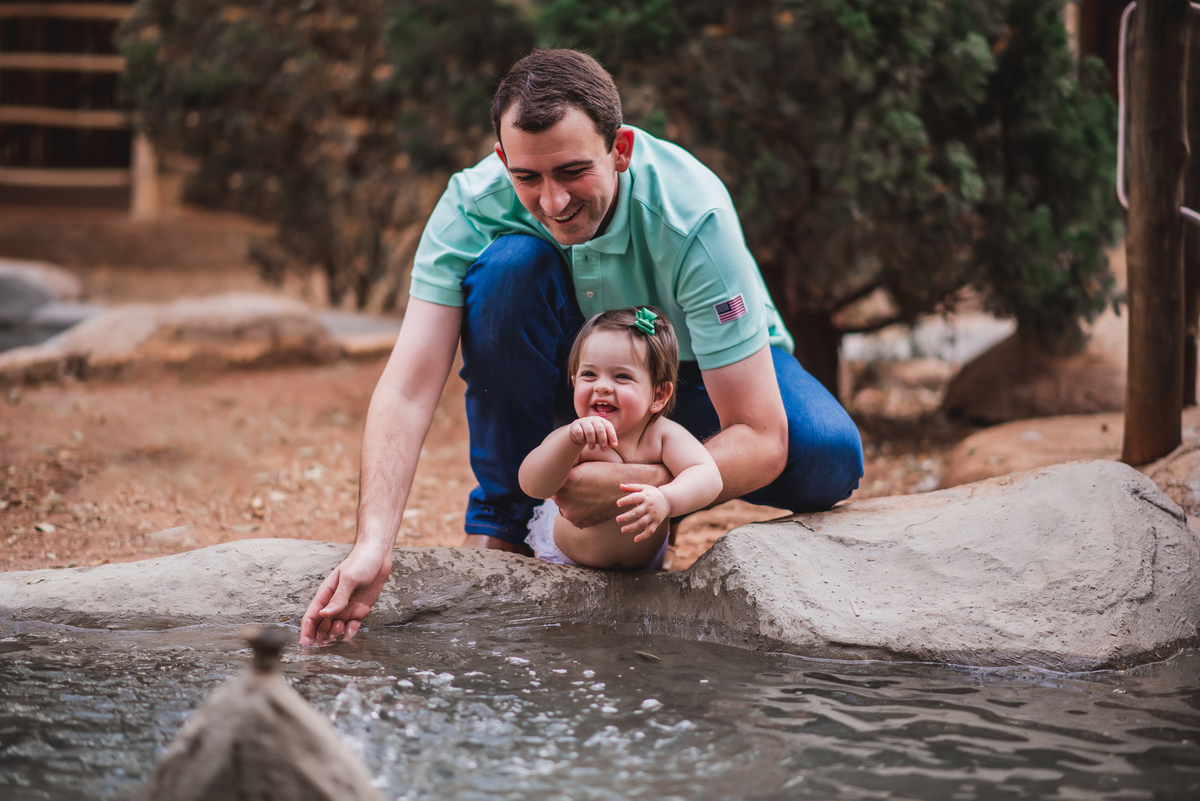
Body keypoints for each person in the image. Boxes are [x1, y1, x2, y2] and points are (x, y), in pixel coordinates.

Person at [300, 49, 863, 645]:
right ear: (502, 159)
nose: (552, 202)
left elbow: (760, 432)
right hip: (581, 390)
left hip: (699, 375)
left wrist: (643, 485)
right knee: (507, 270)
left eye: (573, 172)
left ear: (619, 150)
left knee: (827, 454)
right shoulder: (470, 204)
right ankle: (507, 524)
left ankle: (639, 515)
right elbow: (409, 388)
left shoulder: (692, 213)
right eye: (527, 177)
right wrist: (373, 546)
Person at [520, 307, 722, 570]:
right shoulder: (576, 437)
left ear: (658, 395)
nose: (601, 386)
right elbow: (532, 485)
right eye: (589, 374)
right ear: (574, 381)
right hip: (564, 560)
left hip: (643, 567)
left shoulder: (662, 435)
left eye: (622, 376)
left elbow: (708, 475)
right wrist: (569, 441)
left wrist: (668, 498)